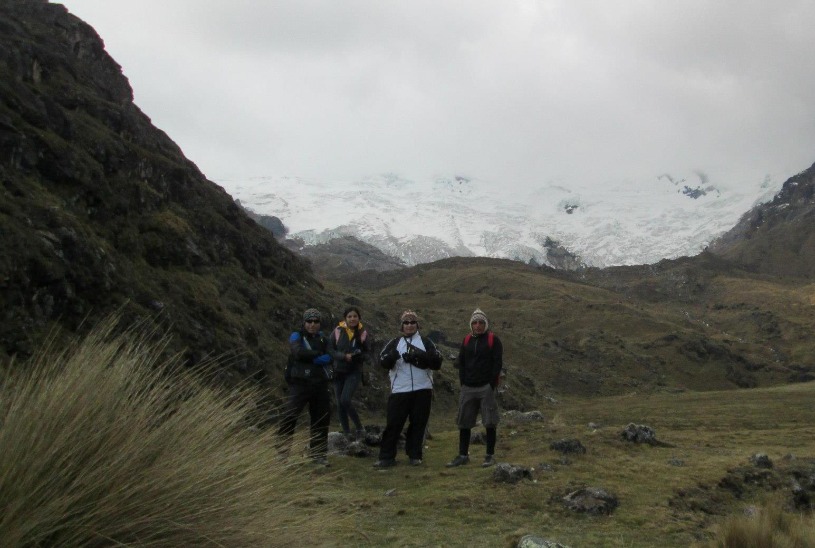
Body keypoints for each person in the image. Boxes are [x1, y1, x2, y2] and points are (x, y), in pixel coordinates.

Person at [373, 310, 443, 468]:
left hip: (422, 389)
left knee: (418, 424)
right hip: (400, 390)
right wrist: (393, 356)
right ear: (401, 326)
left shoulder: (426, 342)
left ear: (418, 325)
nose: (410, 325)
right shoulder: (394, 342)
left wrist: (420, 356)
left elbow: (437, 362)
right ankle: (386, 457)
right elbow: (382, 362)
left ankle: (415, 455)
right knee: (393, 424)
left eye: (413, 322)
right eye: (406, 322)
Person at [446, 308, 503, 468]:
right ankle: (463, 455)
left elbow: (497, 363)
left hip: (486, 387)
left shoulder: (493, 340)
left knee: (490, 422)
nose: (478, 325)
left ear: (486, 324)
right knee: (464, 422)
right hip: (468, 387)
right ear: (471, 324)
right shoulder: (466, 341)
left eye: (481, 322)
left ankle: (489, 455)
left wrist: (491, 384)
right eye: (475, 322)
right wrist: (463, 382)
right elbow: (461, 362)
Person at [277, 308, 333, 467]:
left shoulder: (324, 339)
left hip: (320, 384)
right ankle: (282, 451)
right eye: (309, 321)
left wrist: (311, 358)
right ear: (304, 322)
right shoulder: (297, 335)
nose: (313, 324)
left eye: (316, 321)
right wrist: (317, 356)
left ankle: (319, 454)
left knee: (321, 419)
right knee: (290, 415)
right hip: (300, 384)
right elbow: (297, 352)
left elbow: (330, 356)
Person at [327, 306, 370, 441]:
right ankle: (346, 433)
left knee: (345, 399)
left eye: (355, 316)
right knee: (340, 403)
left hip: (353, 371)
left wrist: (357, 356)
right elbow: (329, 349)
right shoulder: (337, 331)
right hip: (338, 371)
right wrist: (343, 356)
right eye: (350, 316)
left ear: (359, 318)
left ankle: (359, 427)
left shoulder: (363, 333)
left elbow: (367, 353)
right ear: (345, 318)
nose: (352, 319)